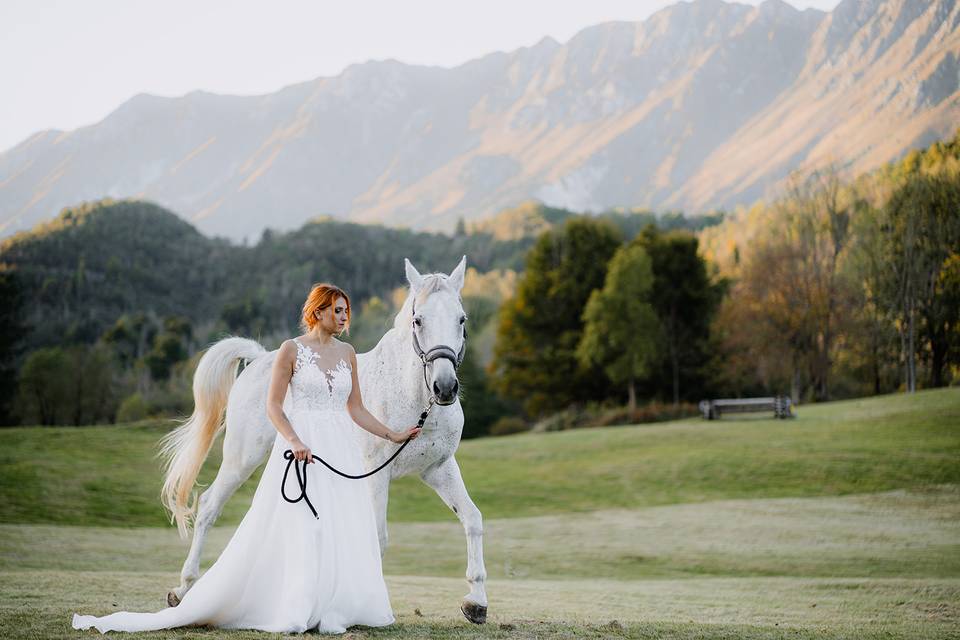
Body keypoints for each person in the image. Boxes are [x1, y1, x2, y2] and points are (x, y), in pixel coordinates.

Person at [72, 283, 421, 634]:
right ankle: (295, 604)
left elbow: (356, 408)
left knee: (338, 526)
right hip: (301, 448)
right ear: (317, 312)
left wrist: (393, 434)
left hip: (340, 449)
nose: (344, 316)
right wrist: (295, 440)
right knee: (304, 525)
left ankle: (332, 605)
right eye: (337, 310)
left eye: (346, 310)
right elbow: (273, 406)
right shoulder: (291, 351)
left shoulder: (347, 354)